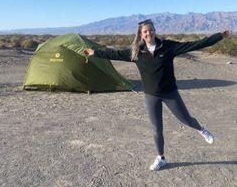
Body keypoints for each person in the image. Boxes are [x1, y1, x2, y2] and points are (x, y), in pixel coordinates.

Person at [84, 20, 231, 171]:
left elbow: (196, 44)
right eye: (145, 31)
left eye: (151, 30)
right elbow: (114, 54)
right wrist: (95, 52)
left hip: (170, 93)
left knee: (186, 119)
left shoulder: (168, 47)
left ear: (155, 30)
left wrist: (219, 36)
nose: (149, 33)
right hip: (151, 96)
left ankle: (201, 129)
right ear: (141, 35)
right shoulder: (136, 53)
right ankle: (161, 158)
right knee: (156, 129)